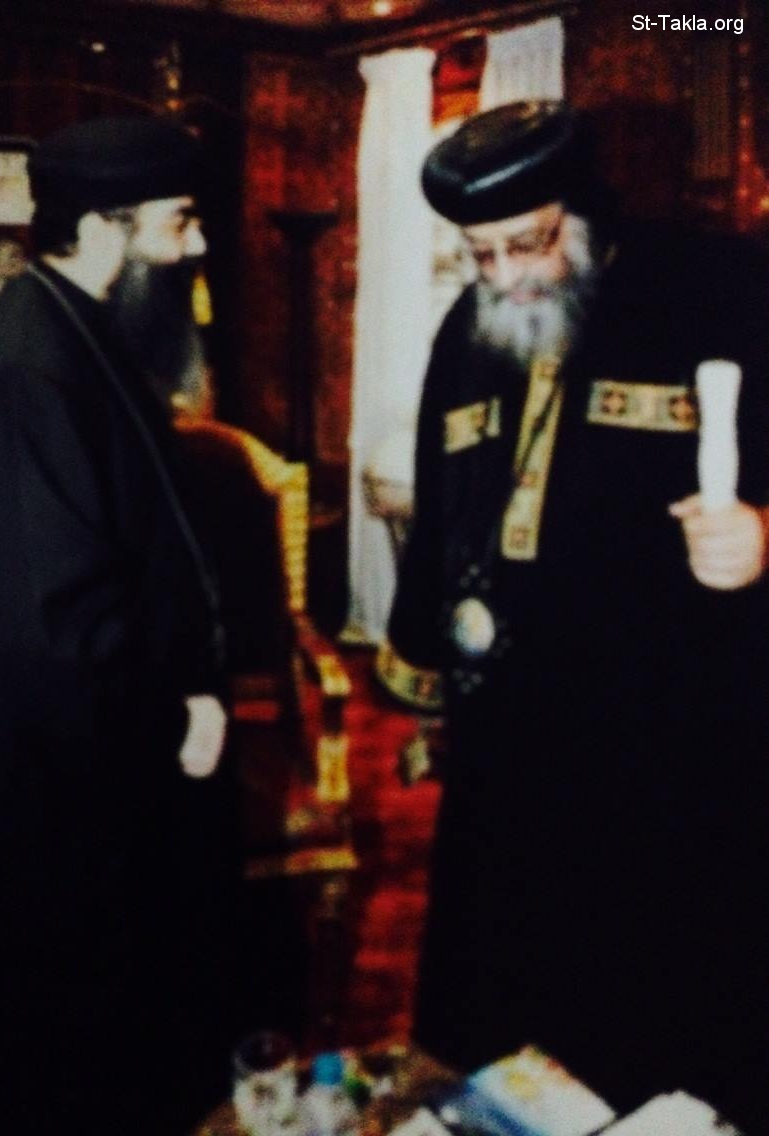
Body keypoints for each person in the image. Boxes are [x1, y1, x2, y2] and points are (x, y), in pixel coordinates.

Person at [378, 101, 769, 1128]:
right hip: (512, 738)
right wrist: (424, 670)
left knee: (657, 1015)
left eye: (531, 243)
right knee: (507, 1004)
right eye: (481, 254)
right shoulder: (468, 330)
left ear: (586, 211)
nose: (505, 275)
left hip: (670, 742)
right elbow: (444, 509)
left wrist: (764, 536)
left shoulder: (721, 291)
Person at [0, 116, 241, 1135]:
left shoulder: (73, 332)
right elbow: (46, 633)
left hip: (93, 774)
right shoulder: (26, 372)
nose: (197, 244)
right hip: (52, 803)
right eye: (178, 222)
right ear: (104, 228)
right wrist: (174, 718)